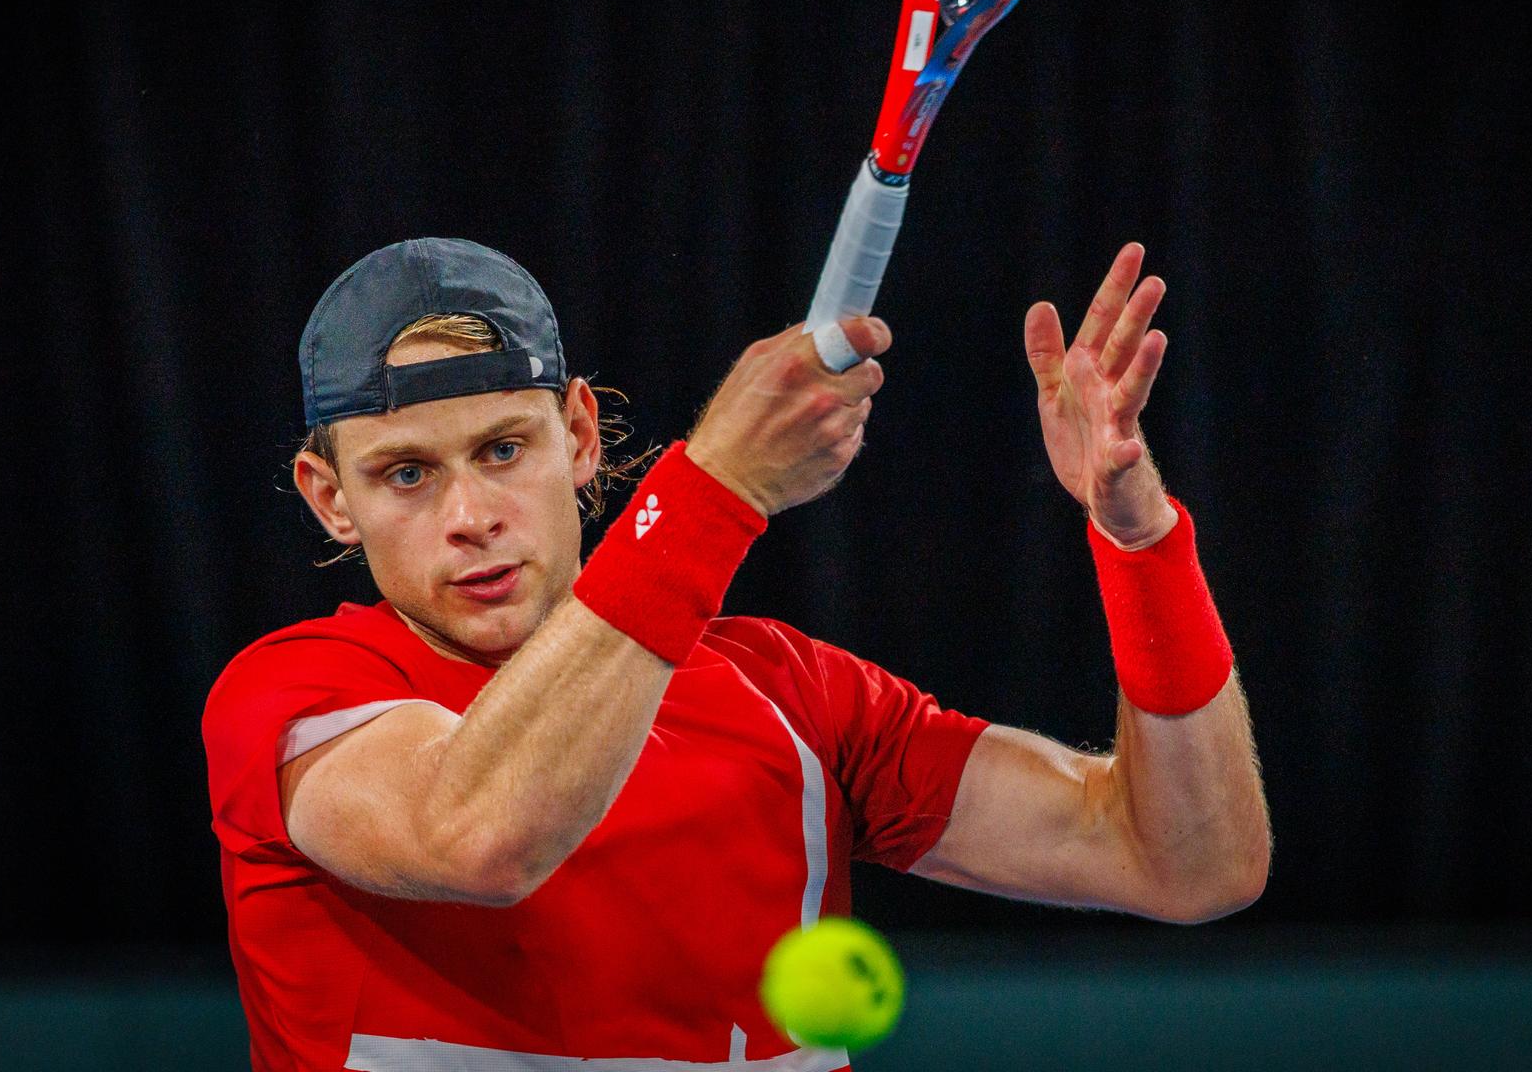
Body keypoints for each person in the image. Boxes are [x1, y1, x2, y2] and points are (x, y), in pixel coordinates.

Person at [203, 236, 1270, 1071]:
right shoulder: (293, 696)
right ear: (328, 496)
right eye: (404, 474)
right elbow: (479, 832)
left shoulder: (793, 695)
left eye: (503, 448)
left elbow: (1188, 860)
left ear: (578, 435)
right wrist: (712, 487)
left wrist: (1143, 544)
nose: (471, 513)